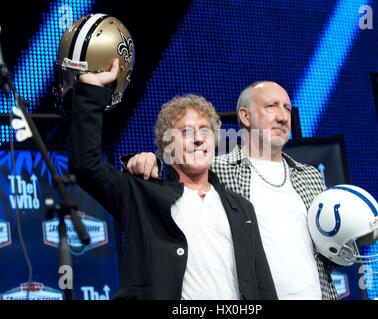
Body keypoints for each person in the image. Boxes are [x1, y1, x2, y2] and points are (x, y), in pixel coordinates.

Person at [67, 59, 277, 300]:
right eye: (186, 132)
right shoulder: (141, 195)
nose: (199, 139)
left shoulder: (241, 209)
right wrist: (91, 91)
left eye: (205, 131)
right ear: (167, 146)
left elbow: (263, 287)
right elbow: (86, 165)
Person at [125, 81, 339, 300]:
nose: (284, 117)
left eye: (286, 107)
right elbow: (175, 178)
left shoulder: (310, 175)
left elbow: (329, 257)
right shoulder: (215, 170)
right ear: (245, 117)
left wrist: (353, 235)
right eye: (272, 106)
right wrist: (151, 160)